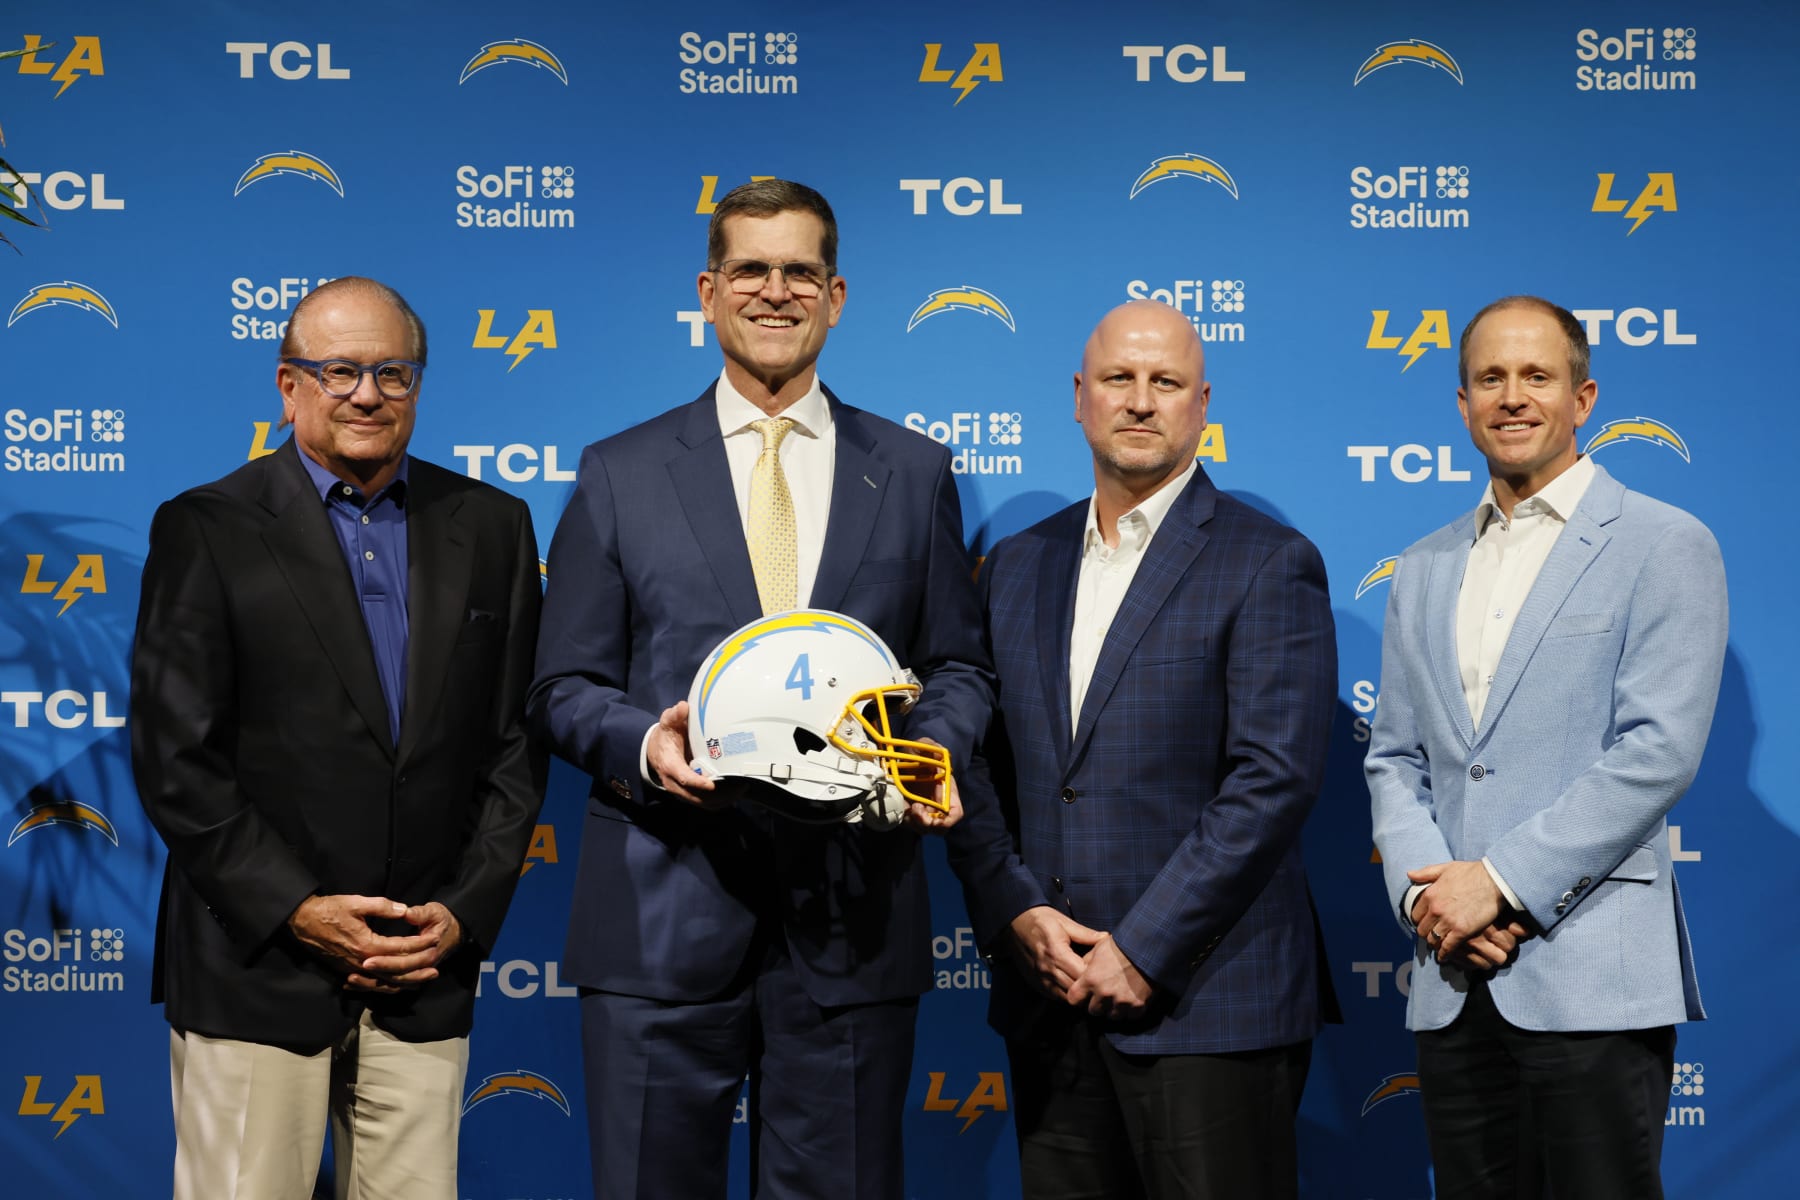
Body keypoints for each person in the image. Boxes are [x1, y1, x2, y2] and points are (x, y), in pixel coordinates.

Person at [527, 179, 993, 1200]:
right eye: (751, 269)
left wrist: (933, 752)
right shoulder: (621, 472)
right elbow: (561, 683)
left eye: (799, 272)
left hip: (853, 917)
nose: (774, 292)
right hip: (661, 914)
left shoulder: (912, 472)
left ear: (835, 295)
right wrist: (643, 745)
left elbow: (957, 664)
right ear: (708, 290)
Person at [129, 276, 547, 1200]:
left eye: (392, 372)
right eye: (340, 370)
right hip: (256, 965)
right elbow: (174, 759)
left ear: (419, 384)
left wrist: (463, 913)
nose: (367, 393)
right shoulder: (206, 527)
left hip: (421, 964)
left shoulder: (493, 527)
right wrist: (297, 908)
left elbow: (514, 746)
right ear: (289, 386)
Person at [948, 299, 1338, 1199]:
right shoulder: (1015, 564)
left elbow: (1272, 782)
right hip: (1049, 999)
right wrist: (1013, 910)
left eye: (1165, 383)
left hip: (1210, 1006)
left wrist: (1145, 949)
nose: (1139, 400)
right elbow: (974, 766)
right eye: (1119, 379)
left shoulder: (1268, 560)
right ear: (1079, 397)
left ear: (1202, 405)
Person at [1367, 296, 1727, 1199]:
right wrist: (1434, 905)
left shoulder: (1664, 543)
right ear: (1461, 404)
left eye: (1537, 376)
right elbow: (1395, 760)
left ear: (1584, 397)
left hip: (1591, 978)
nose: (1513, 397)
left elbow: (1657, 750)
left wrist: (1498, 883)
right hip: (1454, 982)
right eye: (1491, 377)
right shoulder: (1422, 567)